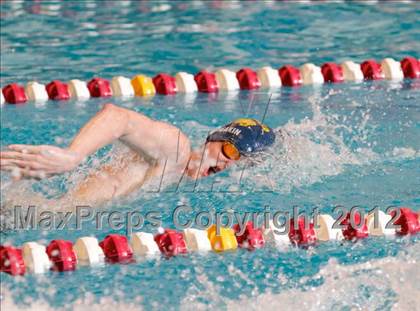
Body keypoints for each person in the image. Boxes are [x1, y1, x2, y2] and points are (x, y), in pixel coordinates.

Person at [0, 103, 275, 205]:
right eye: (228, 150)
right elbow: (118, 117)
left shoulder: (178, 176)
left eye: (238, 160)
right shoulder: (175, 148)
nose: (226, 163)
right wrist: (73, 156)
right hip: (33, 214)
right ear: (212, 139)